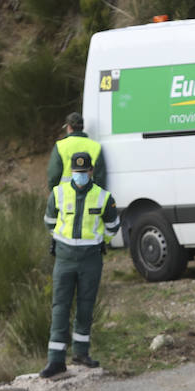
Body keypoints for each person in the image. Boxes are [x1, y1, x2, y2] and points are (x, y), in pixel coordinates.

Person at [39, 150, 119, 378]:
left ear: (91, 171)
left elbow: (113, 227)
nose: (80, 175)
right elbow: (50, 222)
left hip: (91, 259)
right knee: (60, 307)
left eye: (84, 172)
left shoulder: (103, 197)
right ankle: (55, 361)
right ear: (71, 171)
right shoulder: (58, 193)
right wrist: (64, 241)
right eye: (77, 172)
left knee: (85, 306)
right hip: (64, 258)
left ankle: (81, 353)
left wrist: (96, 242)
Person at [47, 112, 106, 190]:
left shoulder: (60, 146)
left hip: (64, 196)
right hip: (90, 196)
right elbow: (100, 176)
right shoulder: (95, 146)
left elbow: (54, 174)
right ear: (82, 127)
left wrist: (53, 192)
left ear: (69, 127)